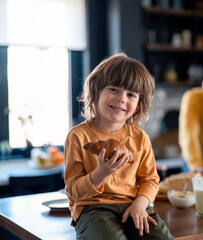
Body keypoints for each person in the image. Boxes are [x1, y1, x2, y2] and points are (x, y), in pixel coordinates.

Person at [64, 53, 174, 240]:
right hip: (92, 209)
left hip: (133, 205)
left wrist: (140, 203)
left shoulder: (140, 137)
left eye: (130, 94)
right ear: (96, 90)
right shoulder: (78, 136)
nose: (122, 98)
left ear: (139, 103)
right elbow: (73, 190)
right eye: (114, 89)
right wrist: (100, 174)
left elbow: (150, 180)